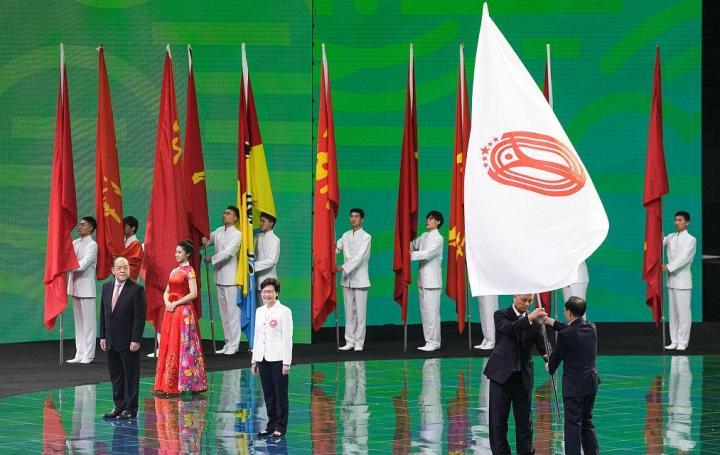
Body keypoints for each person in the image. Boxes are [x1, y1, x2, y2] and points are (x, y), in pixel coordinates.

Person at [483, 294, 548, 455]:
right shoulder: (501, 314)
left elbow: (542, 344)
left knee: (525, 423)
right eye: (523, 300)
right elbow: (511, 329)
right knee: (498, 423)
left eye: (530, 301)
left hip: (522, 378)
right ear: (514, 297)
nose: (527, 304)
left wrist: (548, 359)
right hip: (501, 377)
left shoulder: (535, 320)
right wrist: (530, 318)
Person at [543, 297, 600, 455]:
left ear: (568, 312)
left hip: (575, 387)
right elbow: (570, 329)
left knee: (572, 425)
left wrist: (549, 365)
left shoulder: (566, 335)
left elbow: (553, 363)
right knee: (586, 422)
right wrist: (549, 321)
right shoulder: (591, 327)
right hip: (591, 383)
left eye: (565, 309)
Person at [154, 240, 208, 395]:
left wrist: (176, 303)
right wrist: (167, 302)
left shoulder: (189, 271)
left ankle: (185, 383)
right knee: (169, 343)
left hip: (183, 312)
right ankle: (167, 383)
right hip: (171, 312)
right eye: (176, 252)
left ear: (187, 254)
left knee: (183, 345)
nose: (176, 255)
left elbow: (193, 293)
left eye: (179, 252)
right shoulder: (174, 271)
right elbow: (167, 291)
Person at [99, 256, 146, 420]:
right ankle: (119, 406)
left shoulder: (136, 289)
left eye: (125, 267)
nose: (123, 270)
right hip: (111, 340)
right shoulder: (106, 288)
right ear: (113, 270)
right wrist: (102, 336)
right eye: (119, 268)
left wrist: (136, 339)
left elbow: (139, 317)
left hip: (128, 341)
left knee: (131, 375)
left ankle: (130, 408)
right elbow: (104, 314)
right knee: (116, 376)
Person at [251, 278, 293, 438]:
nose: (266, 294)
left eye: (270, 291)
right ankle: (270, 425)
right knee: (268, 393)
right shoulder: (259, 311)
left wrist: (286, 362)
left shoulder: (284, 311)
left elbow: (287, 338)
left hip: (278, 359)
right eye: (264, 292)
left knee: (280, 394)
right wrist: (254, 360)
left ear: (277, 293)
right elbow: (256, 336)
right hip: (262, 358)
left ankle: (280, 426)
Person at [203, 206, 242, 355]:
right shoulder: (219, 231)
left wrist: (212, 259)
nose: (224, 215)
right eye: (224, 213)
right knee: (224, 314)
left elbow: (228, 252)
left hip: (231, 279)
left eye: (228, 213)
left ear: (235, 218)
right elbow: (207, 240)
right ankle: (227, 343)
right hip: (219, 277)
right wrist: (203, 240)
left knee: (233, 313)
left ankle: (234, 345)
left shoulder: (237, 234)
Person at [336, 208, 372, 351]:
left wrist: (343, 267)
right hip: (347, 279)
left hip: (360, 278)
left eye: (356, 217)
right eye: (351, 216)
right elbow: (336, 248)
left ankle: (359, 342)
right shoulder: (345, 235)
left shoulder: (366, 237)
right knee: (349, 312)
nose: (353, 219)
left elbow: (360, 257)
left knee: (360, 313)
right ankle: (349, 341)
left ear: (361, 219)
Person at [410, 210, 444, 351]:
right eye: (428, 218)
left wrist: (410, 254)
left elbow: (428, 254)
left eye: (431, 219)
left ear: (438, 222)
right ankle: (428, 340)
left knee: (432, 313)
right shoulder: (424, 235)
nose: (428, 221)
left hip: (432, 281)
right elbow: (413, 244)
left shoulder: (438, 238)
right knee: (425, 312)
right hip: (422, 279)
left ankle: (435, 342)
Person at [663, 210, 696, 351]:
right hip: (671, 281)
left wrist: (668, 266)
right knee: (673, 313)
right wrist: (657, 237)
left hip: (683, 281)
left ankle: (683, 341)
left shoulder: (691, 239)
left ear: (687, 222)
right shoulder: (670, 237)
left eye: (680, 220)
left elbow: (685, 258)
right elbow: (657, 245)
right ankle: (674, 340)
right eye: (675, 220)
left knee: (683, 313)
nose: (677, 222)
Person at [67, 216, 99, 364]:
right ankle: (79, 353)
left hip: (86, 289)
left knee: (89, 324)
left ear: (91, 228)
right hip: (75, 287)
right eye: (79, 225)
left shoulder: (92, 245)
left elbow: (83, 265)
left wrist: (68, 265)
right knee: (79, 323)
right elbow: (67, 259)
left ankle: (89, 354)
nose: (79, 227)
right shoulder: (74, 243)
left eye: (83, 225)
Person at [255, 212, 281, 300]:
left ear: (271, 223)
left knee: (269, 308)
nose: (261, 223)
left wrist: (252, 266)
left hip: (269, 283)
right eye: (260, 220)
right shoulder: (257, 237)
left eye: (263, 221)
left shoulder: (275, 239)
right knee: (259, 309)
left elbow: (271, 260)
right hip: (256, 281)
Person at [122, 216, 144, 281]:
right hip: (118, 278)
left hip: (130, 280)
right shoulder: (120, 242)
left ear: (133, 228)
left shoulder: (137, 245)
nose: (122, 228)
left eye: (125, 226)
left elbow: (134, 264)